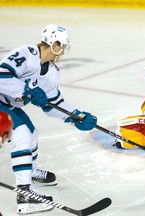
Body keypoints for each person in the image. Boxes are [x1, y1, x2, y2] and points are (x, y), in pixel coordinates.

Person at [0, 24, 97, 215]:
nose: (62, 52)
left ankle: (29, 171)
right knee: (24, 135)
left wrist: (76, 116)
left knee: (31, 134)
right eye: (61, 46)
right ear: (53, 43)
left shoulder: (52, 73)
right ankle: (25, 194)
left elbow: (53, 104)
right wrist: (25, 91)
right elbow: (1, 75)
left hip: (7, 105)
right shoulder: (27, 53)